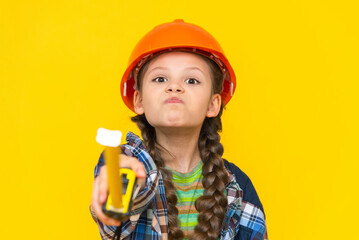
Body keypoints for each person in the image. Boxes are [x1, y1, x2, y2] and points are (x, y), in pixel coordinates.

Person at [90, 19, 268, 240]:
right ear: (139, 101)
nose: (174, 87)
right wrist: (118, 185)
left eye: (192, 80)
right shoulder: (127, 164)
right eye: (160, 78)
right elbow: (112, 223)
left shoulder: (239, 187)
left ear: (213, 104)